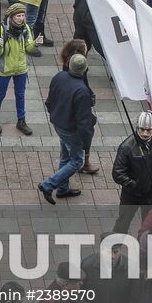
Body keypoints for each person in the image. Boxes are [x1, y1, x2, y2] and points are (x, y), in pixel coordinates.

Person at [38, 54, 95, 204]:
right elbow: (84, 122)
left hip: (58, 123)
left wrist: (54, 114)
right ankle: (48, 184)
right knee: (77, 161)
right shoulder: (82, 91)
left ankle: (63, 189)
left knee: (65, 156)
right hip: (71, 130)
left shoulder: (59, 76)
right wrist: (86, 144)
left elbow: (50, 100)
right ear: (84, 70)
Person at [0, 3, 36, 135]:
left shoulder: (26, 28)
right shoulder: (2, 30)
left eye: (22, 15)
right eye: (18, 16)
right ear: (11, 16)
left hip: (21, 69)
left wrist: (34, 44)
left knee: (20, 95)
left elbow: (29, 49)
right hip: (4, 70)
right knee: (0, 95)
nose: (21, 18)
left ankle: (21, 121)